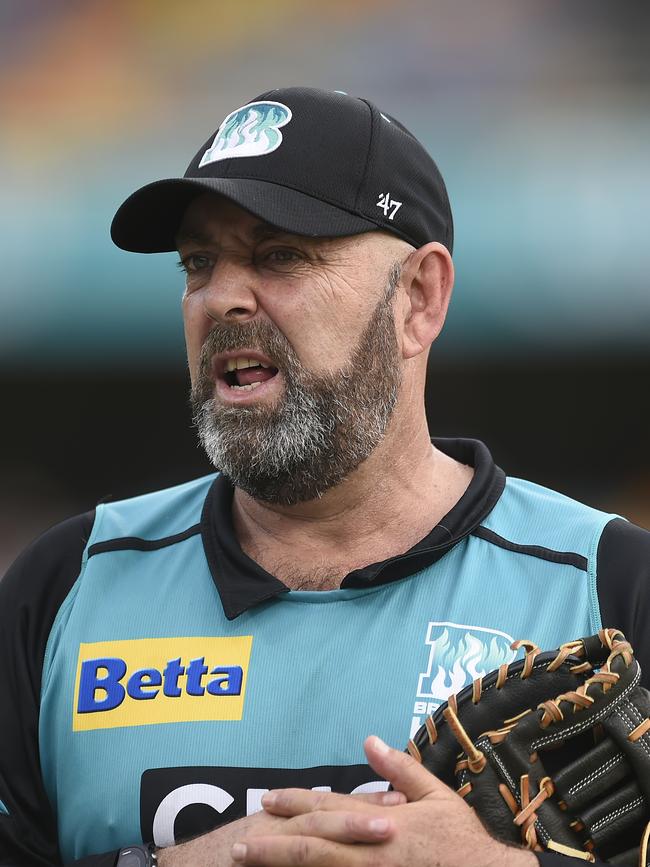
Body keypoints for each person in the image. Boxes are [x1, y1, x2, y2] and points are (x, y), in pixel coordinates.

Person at [1, 86, 649, 867]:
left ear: (419, 296)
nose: (223, 297)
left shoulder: (611, 584)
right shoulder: (64, 587)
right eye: (199, 262)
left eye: (281, 254)